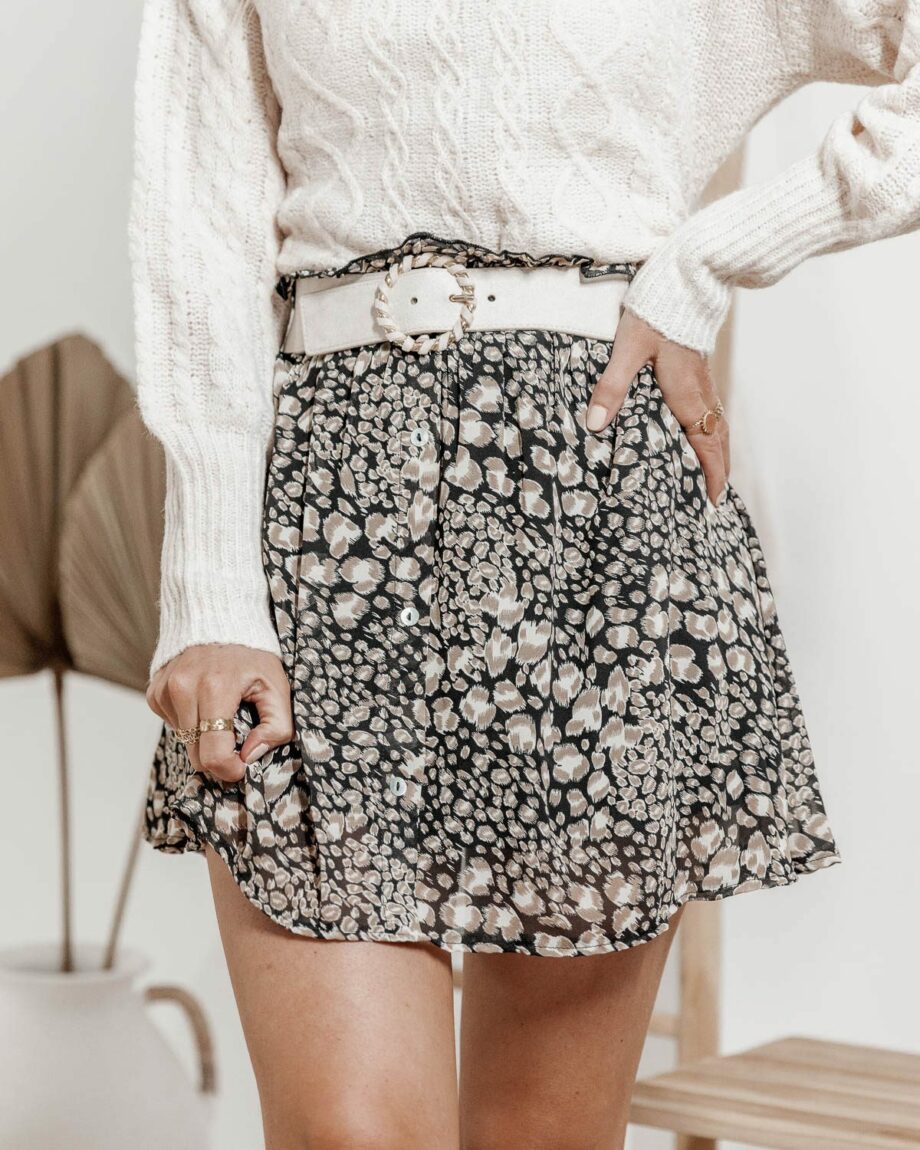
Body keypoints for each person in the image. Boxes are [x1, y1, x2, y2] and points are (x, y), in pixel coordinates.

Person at [128, 2, 917, 1146]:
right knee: (350, 1131)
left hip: (600, 509)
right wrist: (207, 587)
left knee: (537, 1135)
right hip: (326, 513)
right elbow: (199, 210)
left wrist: (709, 259)